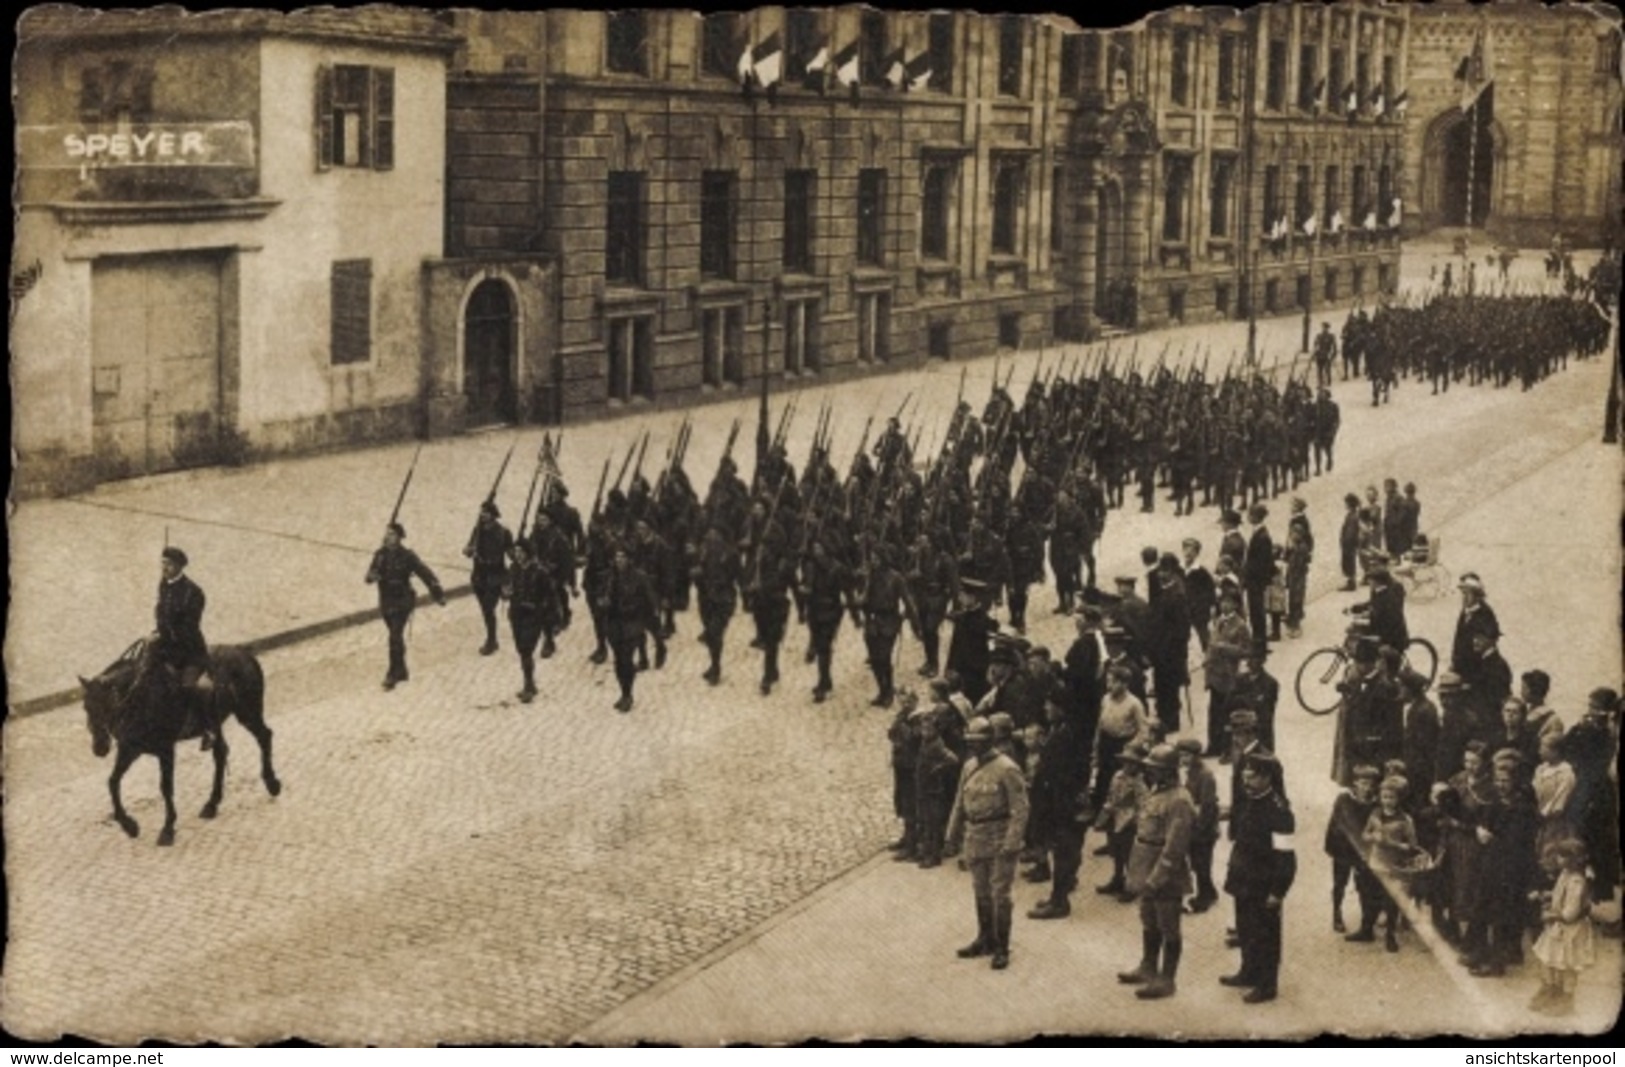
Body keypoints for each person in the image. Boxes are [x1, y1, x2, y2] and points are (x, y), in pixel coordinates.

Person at [946, 716, 1030, 971]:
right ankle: (985, 938)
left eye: (978, 742)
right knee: (980, 890)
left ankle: (1002, 947)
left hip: (999, 836)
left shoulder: (1007, 769)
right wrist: (952, 833)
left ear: (990, 741)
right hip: (975, 834)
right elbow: (960, 801)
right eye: (970, 742)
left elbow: (1021, 809)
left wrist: (1012, 842)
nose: (973, 747)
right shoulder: (969, 766)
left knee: (999, 894)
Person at [1117, 744, 1195, 999]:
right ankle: (1148, 966)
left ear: (1169, 772)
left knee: (1168, 925)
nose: (1150, 772)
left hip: (1165, 874)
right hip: (1145, 863)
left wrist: (1157, 878)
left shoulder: (1180, 800)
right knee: (1148, 920)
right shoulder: (1157, 791)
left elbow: (1175, 847)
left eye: (1156, 769)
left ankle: (1167, 979)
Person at [1221, 750, 1297, 1003]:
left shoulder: (1279, 812)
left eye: (1252, 775)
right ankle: (1248, 971)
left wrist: (1278, 892)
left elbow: (1287, 859)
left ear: (1267, 778)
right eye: (1245, 773)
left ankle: (1267, 985)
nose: (1246, 779)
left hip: (1263, 885)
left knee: (1265, 935)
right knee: (1245, 929)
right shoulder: (1251, 798)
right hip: (1244, 880)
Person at [1026, 685, 1092, 920]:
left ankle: (1060, 902)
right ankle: (1057, 895)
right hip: (1058, 803)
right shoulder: (1060, 730)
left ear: (1060, 708)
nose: (1046, 708)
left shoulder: (1068, 735)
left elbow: (1068, 774)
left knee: (1065, 853)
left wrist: (1058, 801)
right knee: (1062, 851)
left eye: (1049, 704)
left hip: (1064, 806)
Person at [151, 546, 217, 749]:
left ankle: (209, 729)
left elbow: (188, 627)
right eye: (163, 564)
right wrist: (156, 632)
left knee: (189, 688)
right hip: (166, 646)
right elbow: (162, 612)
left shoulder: (193, 592)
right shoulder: (164, 584)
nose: (165, 568)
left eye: (169, 565)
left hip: (189, 651)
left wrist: (166, 638)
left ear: (180, 566)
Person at [366, 523, 446, 692]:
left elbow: (424, 572)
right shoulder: (380, 555)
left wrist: (437, 592)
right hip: (386, 601)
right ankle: (401, 670)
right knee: (396, 636)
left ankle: (392, 673)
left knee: (394, 636)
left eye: (393, 534)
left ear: (400, 537)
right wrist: (372, 576)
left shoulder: (407, 556)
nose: (389, 537)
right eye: (387, 534)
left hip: (402, 600)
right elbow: (369, 575)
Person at [1529, 839, 1597, 1016]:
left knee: (1568, 966)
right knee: (1550, 961)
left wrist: (1551, 915)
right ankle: (1552, 991)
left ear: (1573, 859)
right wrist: (1546, 895)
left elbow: (1570, 913)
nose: (1557, 859)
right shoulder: (1565, 874)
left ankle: (1567, 999)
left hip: (1571, 930)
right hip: (1559, 928)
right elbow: (1560, 894)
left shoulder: (1577, 881)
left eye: (1562, 856)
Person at [1360, 775, 1422, 952]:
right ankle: (1366, 930)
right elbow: (1364, 834)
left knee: (1391, 901)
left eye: (1391, 797)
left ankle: (1390, 935)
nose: (1387, 801)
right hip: (1376, 862)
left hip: (1394, 865)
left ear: (1399, 798)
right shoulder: (1375, 814)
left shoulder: (1405, 820)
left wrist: (1396, 845)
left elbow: (1412, 845)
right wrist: (1373, 837)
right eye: (1384, 796)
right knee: (1373, 896)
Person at [599, 544, 659, 713]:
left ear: (630, 559)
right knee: (618, 661)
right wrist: (603, 602)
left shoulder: (639, 577)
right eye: (617, 557)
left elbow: (651, 600)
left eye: (622, 557)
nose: (619, 560)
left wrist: (649, 620)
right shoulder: (610, 577)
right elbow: (601, 595)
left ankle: (628, 694)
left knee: (626, 659)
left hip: (632, 624)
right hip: (614, 623)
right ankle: (623, 692)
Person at [1326, 764, 1381, 935]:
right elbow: (1336, 824)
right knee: (1340, 882)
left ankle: (1366, 921)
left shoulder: (1376, 802)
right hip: (1343, 848)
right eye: (1363, 782)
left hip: (1362, 851)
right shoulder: (1344, 799)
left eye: (1371, 783)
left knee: (1364, 885)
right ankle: (1336, 913)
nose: (1367, 787)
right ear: (1355, 783)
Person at [1091, 665, 1152, 814]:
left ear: (1124, 684)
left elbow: (1144, 730)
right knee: (1103, 777)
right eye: (1107, 681)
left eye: (1112, 682)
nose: (1109, 685)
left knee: (1120, 780)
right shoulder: (1105, 699)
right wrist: (1096, 744)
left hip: (1123, 745)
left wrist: (1131, 747)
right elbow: (1100, 723)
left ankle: (1119, 811)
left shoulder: (1134, 703)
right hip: (1107, 742)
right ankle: (1099, 810)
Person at [1094, 741, 1150, 900]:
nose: (1127, 766)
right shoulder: (1117, 776)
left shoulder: (1139, 781)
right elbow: (1111, 795)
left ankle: (1132, 886)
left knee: (1129, 855)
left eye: (1132, 763)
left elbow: (1143, 804)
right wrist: (1105, 813)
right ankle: (1117, 878)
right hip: (1115, 816)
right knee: (1116, 851)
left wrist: (1139, 821)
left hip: (1129, 820)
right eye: (1125, 762)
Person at [692, 519, 742, 686]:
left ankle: (716, 668)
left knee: (715, 632)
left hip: (723, 599)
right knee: (710, 633)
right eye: (709, 534)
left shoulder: (731, 554)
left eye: (713, 534)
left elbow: (737, 576)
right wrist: (697, 574)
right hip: (706, 598)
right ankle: (714, 663)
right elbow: (697, 571)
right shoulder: (704, 551)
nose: (709, 536)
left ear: (721, 536)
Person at [913, 703, 962, 869]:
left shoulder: (937, 744)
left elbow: (953, 759)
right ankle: (928, 851)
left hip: (933, 791)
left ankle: (934, 855)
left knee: (933, 823)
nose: (924, 732)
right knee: (926, 822)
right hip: (924, 788)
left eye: (928, 729)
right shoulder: (926, 742)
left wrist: (938, 769)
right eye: (923, 729)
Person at [1176, 738, 1221, 914]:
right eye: (1181, 755)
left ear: (1196, 755)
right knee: (1197, 862)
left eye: (1186, 755)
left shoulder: (1205, 775)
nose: (1183, 759)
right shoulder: (1192, 772)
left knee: (1202, 863)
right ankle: (1208, 892)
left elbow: (1207, 805)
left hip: (1204, 828)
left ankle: (1206, 896)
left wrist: (1200, 829)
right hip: (1195, 825)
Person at [463, 500, 513, 656]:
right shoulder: (477, 530)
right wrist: (468, 550)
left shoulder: (503, 532)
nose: (482, 515)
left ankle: (491, 640)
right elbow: (469, 548)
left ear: (493, 514)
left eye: (486, 512)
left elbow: (511, 554)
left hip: (495, 575)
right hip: (479, 575)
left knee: (488, 607)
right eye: (481, 512)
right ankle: (492, 639)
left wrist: (515, 550)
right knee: (486, 610)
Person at [1205, 590, 1251, 757]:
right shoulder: (1218, 621)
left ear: (1236, 605)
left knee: (1227, 714)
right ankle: (1213, 745)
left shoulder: (1240, 625)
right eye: (1222, 601)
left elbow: (1246, 650)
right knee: (1214, 712)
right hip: (1215, 674)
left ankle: (1227, 749)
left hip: (1229, 675)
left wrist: (1225, 647)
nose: (1224, 605)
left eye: (1228, 602)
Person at [503, 539, 547, 703]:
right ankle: (529, 682)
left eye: (520, 552)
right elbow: (507, 588)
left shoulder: (539, 572)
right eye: (516, 552)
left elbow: (548, 596)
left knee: (526, 649)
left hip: (533, 616)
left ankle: (528, 685)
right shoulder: (513, 568)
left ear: (528, 553)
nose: (517, 555)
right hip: (516, 614)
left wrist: (539, 609)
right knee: (521, 649)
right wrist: (506, 593)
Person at [887, 689, 924, 860]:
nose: (905, 705)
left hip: (911, 768)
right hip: (901, 765)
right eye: (902, 702)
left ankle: (912, 844)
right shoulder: (902, 716)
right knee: (901, 801)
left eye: (908, 702)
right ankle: (906, 837)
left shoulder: (918, 719)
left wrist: (902, 725)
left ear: (915, 701)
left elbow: (913, 737)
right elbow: (891, 734)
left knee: (911, 805)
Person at [1348, 561, 1408, 655]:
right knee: (1353, 629)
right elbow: (1372, 603)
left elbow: (1388, 617)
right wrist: (1355, 608)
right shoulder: (1377, 590)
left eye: (1371, 580)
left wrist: (1368, 615)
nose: (1369, 582)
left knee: (1365, 643)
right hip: (1380, 626)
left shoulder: (1389, 597)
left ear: (1378, 582)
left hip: (1390, 635)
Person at [1398, 669, 1441, 798]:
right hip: (1418, 767)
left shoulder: (1422, 711)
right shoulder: (1421, 706)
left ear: (1410, 690)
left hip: (1420, 770)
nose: (1400, 691)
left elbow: (1423, 745)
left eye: (1402, 687)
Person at [1449, 572, 1501, 676]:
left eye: (1467, 594)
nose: (1464, 597)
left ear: (1477, 595)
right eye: (1462, 593)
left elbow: (1487, 643)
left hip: (1478, 670)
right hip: (1462, 667)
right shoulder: (1466, 611)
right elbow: (1458, 638)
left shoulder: (1485, 614)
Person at [1242, 504, 1276, 655]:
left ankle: (1259, 643)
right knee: (1256, 611)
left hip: (1256, 581)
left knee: (1257, 611)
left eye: (1250, 514)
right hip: (1255, 580)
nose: (1248, 516)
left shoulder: (1262, 536)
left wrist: (1251, 577)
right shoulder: (1259, 533)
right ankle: (1259, 640)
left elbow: (1261, 562)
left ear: (1256, 517)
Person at [1180, 538, 1216, 653]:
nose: (1188, 553)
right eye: (1186, 550)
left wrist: (1206, 606)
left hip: (1198, 610)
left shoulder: (1201, 572)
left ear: (1197, 554)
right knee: (1181, 637)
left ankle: (1210, 657)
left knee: (1203, 634)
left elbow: (1210, 591)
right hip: (1183, 609)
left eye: (1192, 551)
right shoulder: (1179, 569)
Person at [1338, 493, 1361, 592]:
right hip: (1349, 544)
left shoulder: (1352, 517)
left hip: (1349, 545)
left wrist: (1346, 542)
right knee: (1348, 562)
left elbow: (1350, 533)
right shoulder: (1352, 515)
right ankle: (1350, 582)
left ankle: (1351, 583)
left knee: (1349, 563)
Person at [1312, 322, 1337, 389]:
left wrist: (1333, 355)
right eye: (1323, 327)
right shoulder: (1319, 336)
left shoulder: (1331, 336)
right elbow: (1315, 345)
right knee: (1319, 370)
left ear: (1328, 328)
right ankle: (1320, 383)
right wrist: (1314, 353)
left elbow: (1334, 347)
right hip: (1320, 355)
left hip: (1327, 355)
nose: (1324, 329)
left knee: (1327, 369)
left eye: (1326, 328)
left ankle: (1328, 381)